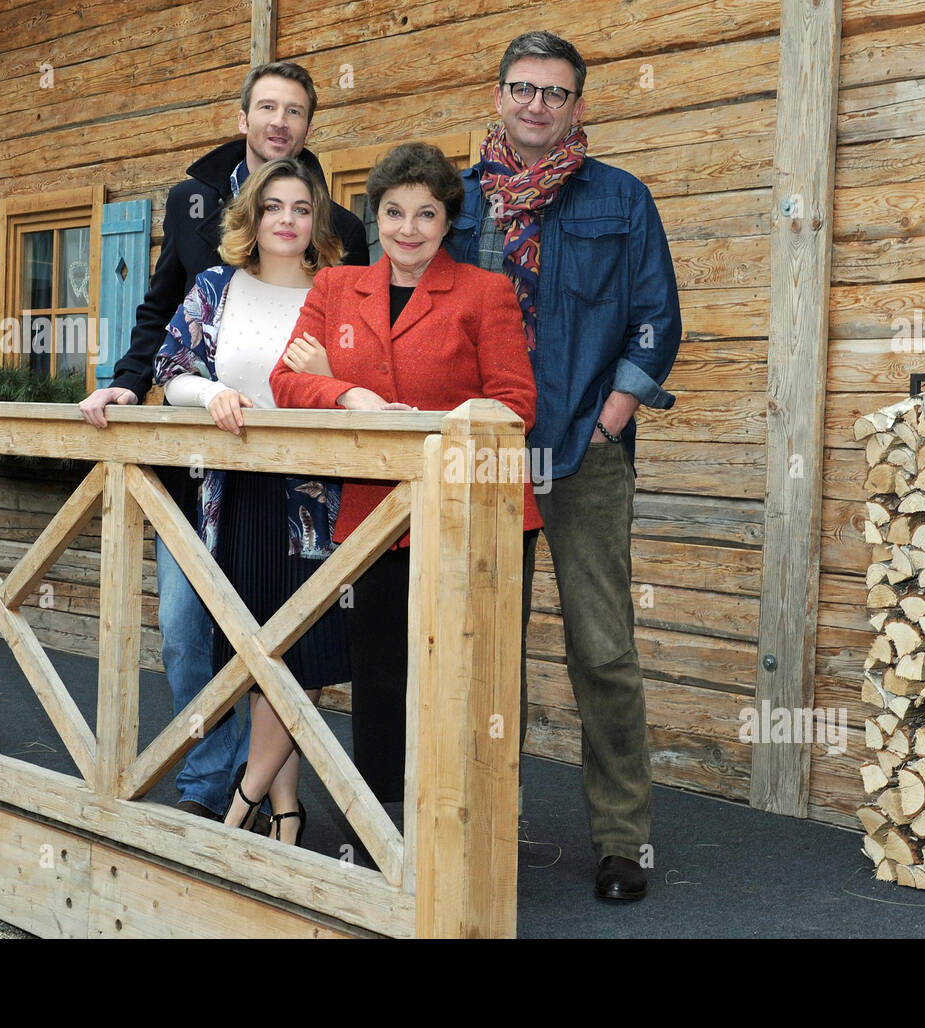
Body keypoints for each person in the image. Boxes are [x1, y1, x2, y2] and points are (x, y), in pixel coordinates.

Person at [77, 62, 368, 824]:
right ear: (243, 116)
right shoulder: (194, 211)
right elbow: (161, 318)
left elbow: (369, 357)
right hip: (204, 481)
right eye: (266, 106)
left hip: (306, 492)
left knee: (289, 646)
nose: (279, 120)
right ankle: (213, 780)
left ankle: (271, 797)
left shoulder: (343, 253)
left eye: (295, 110)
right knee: (187, 630)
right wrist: (126, 382)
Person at [445, 31, 682, 902]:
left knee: (603, 651)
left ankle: (623, 842)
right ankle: (483, 824)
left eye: (555, 92)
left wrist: (610, 420)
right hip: (484, 463)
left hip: (585, 456)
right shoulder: (455, 202)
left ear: (578, 105)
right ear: (497, 96)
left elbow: (656, 320)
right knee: (484, 649)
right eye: (522, 88)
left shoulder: (622, 199)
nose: (537, 104)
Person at [269, 142, 541, 808]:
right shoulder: (336, 288)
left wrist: (376, 396)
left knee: (465, 674)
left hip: (469, 513)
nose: (408, 229)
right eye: (393, 212)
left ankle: (468, 832)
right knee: (381, 675)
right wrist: (347, 394)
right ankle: (384, 836)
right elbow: (283, 381)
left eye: (426, 213)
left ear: (448, 221)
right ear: (376, 215)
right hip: (372, 514)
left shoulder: (488, 292)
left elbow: (516, 403)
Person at [152, 157, 348, 844]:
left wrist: (330, 376)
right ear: (252, 218)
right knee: (255, 651)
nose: (287, 220)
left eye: (300, 208)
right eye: (273, 207)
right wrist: (212, 394)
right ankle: (286, 809)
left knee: (301, 653)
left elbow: (368, 387)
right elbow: (171, 366)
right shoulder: (216, 286)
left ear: (316, 219)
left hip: (314, 501)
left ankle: (246, 796)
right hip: (230, 495)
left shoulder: (339, 292)